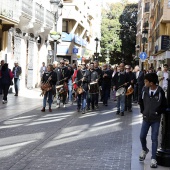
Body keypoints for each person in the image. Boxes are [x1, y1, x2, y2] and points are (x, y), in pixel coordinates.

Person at [138, 73, 167, 168]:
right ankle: (144, 149)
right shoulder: (144, 90)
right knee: (142, 136)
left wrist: (157, 112)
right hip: (146, 118)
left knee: (154, 138)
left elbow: (164, 105)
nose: (144, 82)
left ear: (151, 83)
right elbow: (140, 100)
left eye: (146, 81)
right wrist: (143, 110)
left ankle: (153, 158)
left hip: (155, 119)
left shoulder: (160, 92)